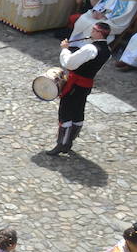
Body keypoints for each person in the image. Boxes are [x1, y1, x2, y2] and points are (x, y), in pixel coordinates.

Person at [46, 22, 112, 156]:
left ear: (99, 33)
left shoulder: (90, 48)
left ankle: (62, 144)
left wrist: (65, 49)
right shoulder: (108, 51)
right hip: (86, 85)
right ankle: (69, 142)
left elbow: (70, 63)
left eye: (94, 30)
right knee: (77, 112)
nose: (91, 31)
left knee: (65, 112)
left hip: (75, 85)